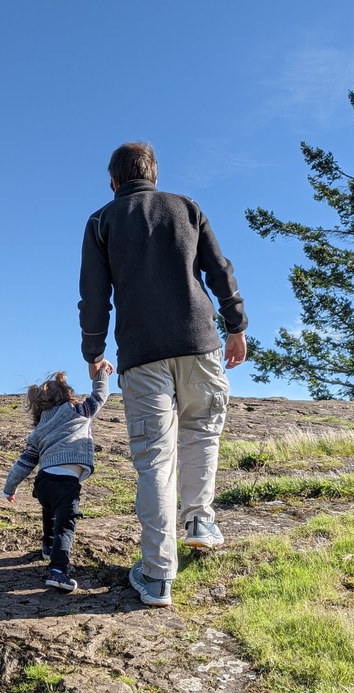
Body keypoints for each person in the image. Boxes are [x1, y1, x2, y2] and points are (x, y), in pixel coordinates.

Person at [78, 141, 248, 607]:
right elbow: (219, 270)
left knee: (155, 459)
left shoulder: (101, 221)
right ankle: (199, 520)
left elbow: (95, 297)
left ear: (114, 180)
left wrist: (93, 350)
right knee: (202, 434)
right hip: (200, 344)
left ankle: (156, 574)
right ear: (153, 174)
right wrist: (236, 326)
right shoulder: (187, 207)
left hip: (142, 354)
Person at [3, 364, 113, 592]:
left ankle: (47, 546)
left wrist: (9, 488)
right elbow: (100, 395)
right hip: (66, 483)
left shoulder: (38, 431)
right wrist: (102, 372)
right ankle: (58, 571)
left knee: (50, 509)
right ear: (67, 395)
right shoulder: (77, 411)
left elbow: (24, 464)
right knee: (65, 525)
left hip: (44, 481)